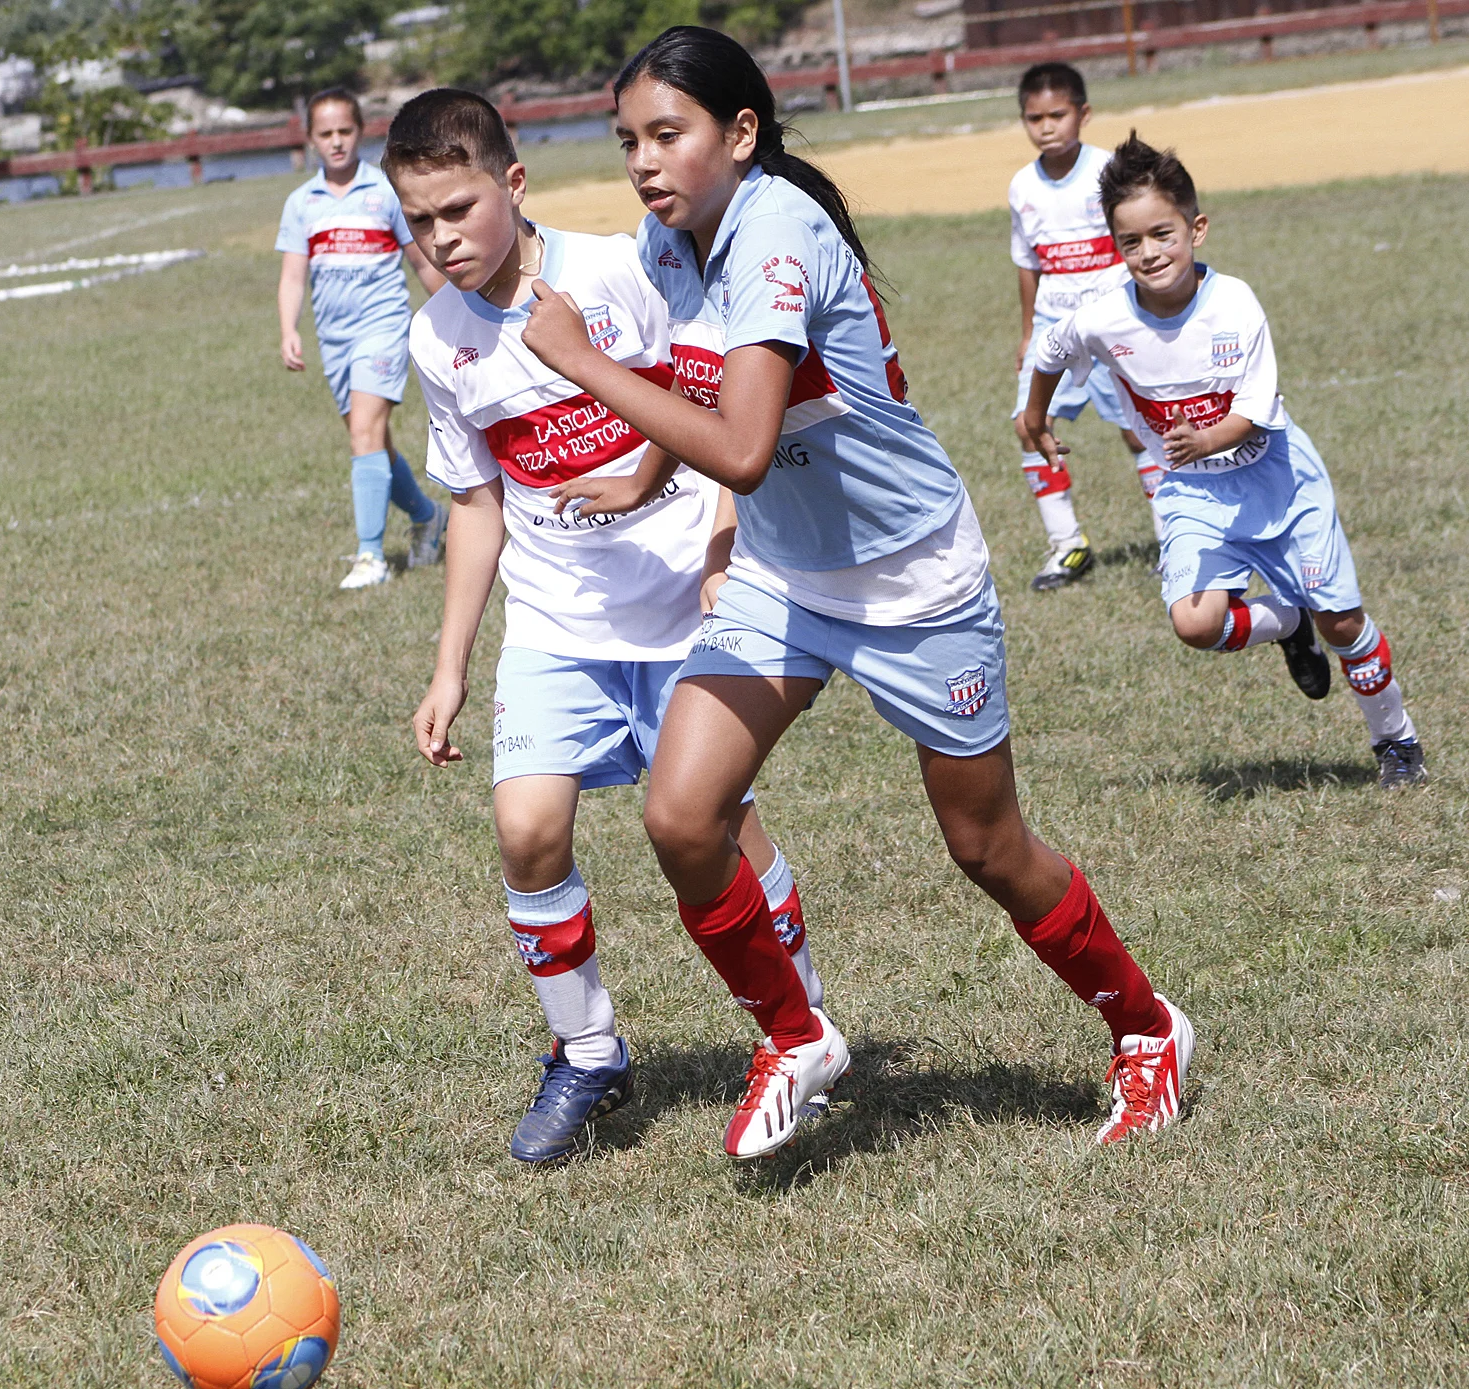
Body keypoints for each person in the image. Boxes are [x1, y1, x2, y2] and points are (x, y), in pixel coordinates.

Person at [519, 26, 1196, 1154]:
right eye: (627, 140)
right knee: (681, 814)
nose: (642, 161)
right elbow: (705, 388)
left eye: (666, 134)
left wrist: (581, 361)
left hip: (911, 579)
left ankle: (1146, 1027)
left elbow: (743, 447)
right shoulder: (672, 236)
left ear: (740, 133)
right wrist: (641, 476)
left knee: (986, 847)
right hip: (784, 574)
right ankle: (797, 1038)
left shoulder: (775, 229)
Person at [390, 88, 829, 1163]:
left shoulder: (620, 272)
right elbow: (476, 505)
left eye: (457, 209)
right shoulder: (436, 338)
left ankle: (800, 1032)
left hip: (682, 608)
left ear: (513, 184)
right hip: (556, 623)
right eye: (418, 220)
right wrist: (448, 668)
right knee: (526, 830)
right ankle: (587, 1052)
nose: (441, 239)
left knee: (720, 831)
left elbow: (720, 404)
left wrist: (722, 544)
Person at [1024, 135, 1429, 789]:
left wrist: (1206, 440)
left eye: (1162, 234)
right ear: (1115, 246)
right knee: (1194, 623)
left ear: (1196, 229)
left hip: (1278, 479)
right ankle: (1288, 622)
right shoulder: (1103, 318)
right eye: (1130, 242)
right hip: (1193, 491)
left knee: (1342, 622)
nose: (1149, 253)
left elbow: (1253, 413)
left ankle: (1396, 741)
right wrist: (1035, 417)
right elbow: (1049, 350)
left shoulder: (1234, 304)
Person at [276, 88, 451, 590]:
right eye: (325, 134)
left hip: (383, 326)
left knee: (364, 436)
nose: (336, 142)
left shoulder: (384, 191)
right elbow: (293, 275)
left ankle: (371, 556)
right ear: (310, 140)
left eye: (344, 131)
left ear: (361, 132)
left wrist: (459, 310)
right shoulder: (301, 203)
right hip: (335, 339)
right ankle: (428, 518)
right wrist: (288, 329)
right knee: (374, 443)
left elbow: (421, 261)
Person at [1006, 62, 1155, 590]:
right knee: (1030, 425)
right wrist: (1029, 331)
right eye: (1035, 118)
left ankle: (1174, 537)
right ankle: (1067, 544)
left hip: (1114, 321)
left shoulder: (1108, 172)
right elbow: (1028, 264)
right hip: (1055, 325)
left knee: (1141, 431)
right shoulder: (1022, 186)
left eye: (1058, 115)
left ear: (1083, 114)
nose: (1047, 127)